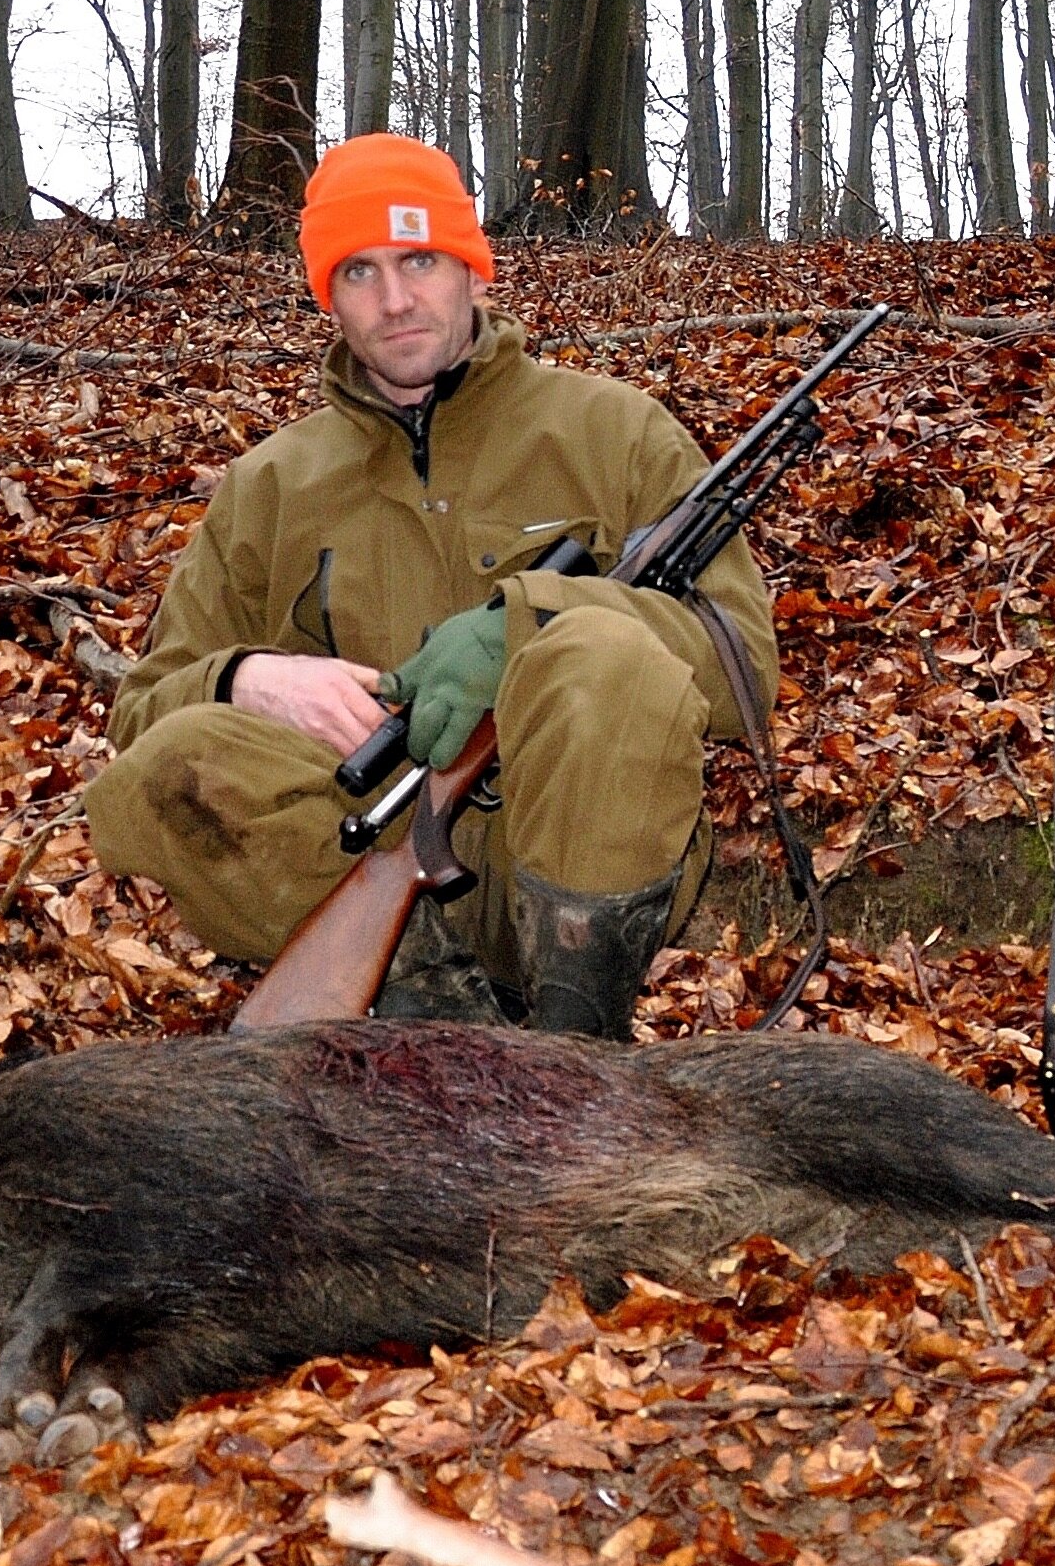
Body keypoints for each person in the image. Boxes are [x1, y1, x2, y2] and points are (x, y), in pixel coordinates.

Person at [84, 134, 775, 1038]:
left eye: (420, 260)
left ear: (475, 274)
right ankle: (436, 1026)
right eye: (360, 271)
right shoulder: (271, 485)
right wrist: (247, 678)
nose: (397, 299)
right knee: (185, 757)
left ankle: (576, 1048)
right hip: (362, 852)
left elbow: (745, 672)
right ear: (328, 297)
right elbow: (140, 718)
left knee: (602, 652)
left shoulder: (614, 433)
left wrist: (531, 623)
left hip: (576, 840)